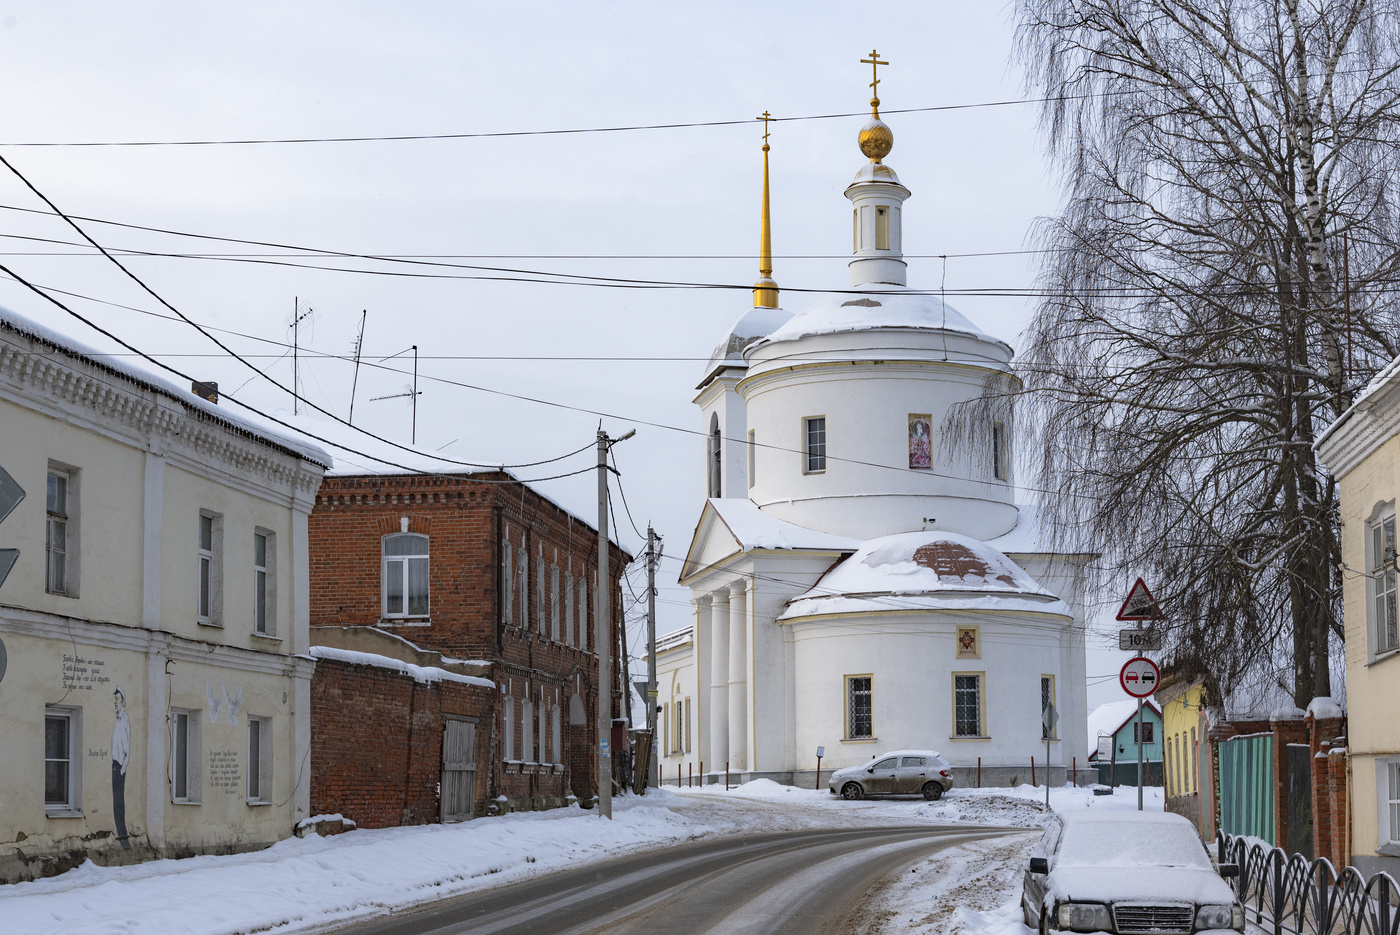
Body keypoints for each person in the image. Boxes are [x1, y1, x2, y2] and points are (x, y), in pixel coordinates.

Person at [112, 686, 131, 850]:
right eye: (114, 700)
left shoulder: (124, 719)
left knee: (119, 803)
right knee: (116, 802)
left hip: (119, 766)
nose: (115, 703)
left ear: (123, 702)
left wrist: (123, 767)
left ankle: (124, 840)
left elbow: (127, 746)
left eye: (117, 700)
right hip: (115, 765)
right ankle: (121, 837)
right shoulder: (117, 718)